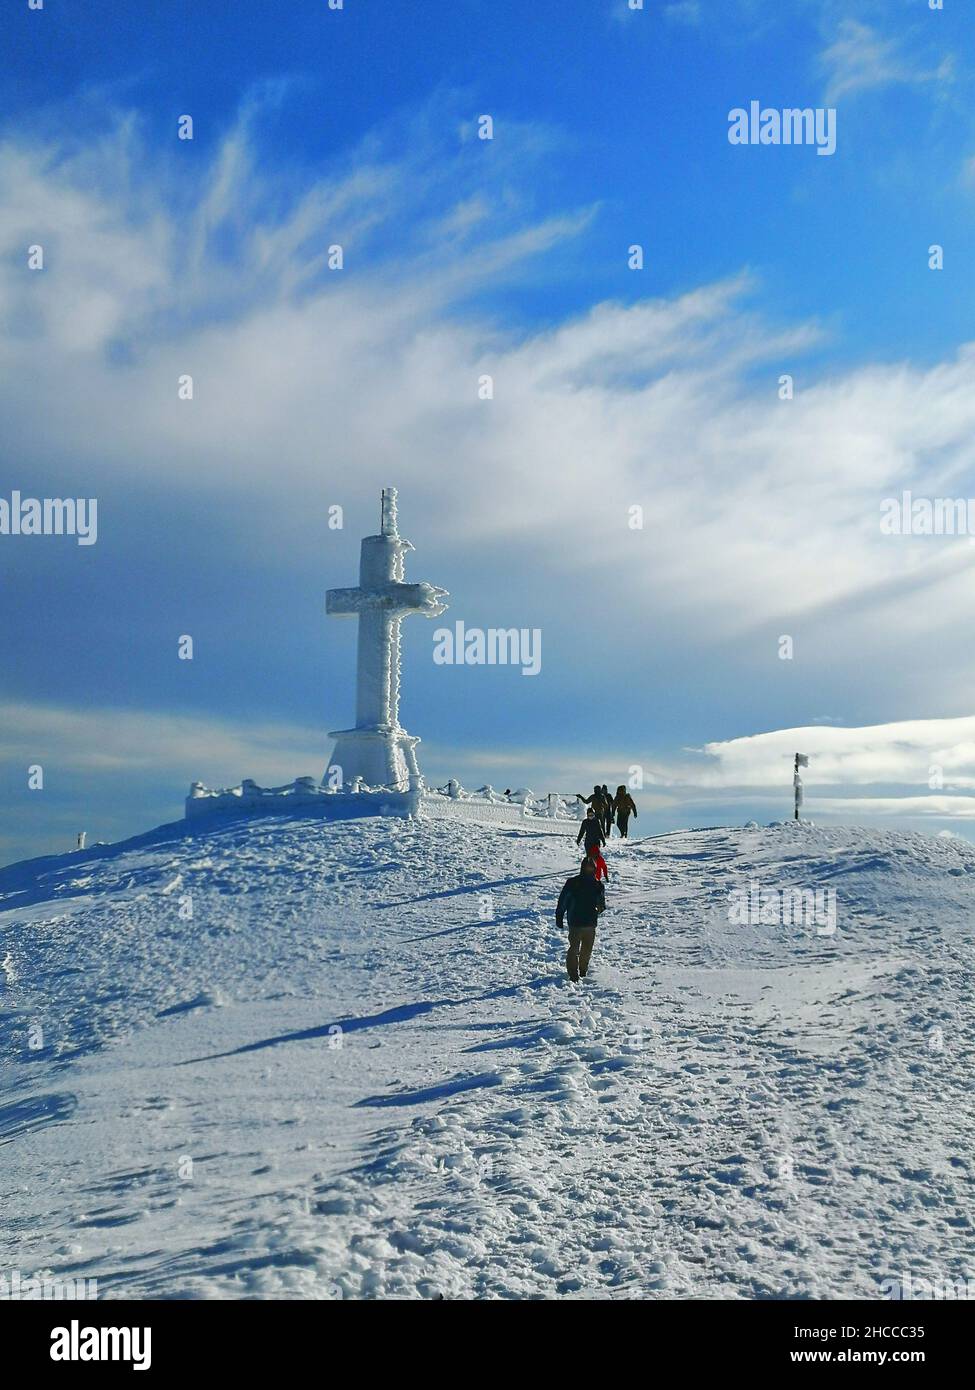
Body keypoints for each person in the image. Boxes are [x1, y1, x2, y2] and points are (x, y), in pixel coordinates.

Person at [556, 856, 606, 981]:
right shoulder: (574, 883)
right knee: (576, 949)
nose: (589, 870)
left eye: (591, 868)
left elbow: (601, 904)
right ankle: (574, 973)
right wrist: (559, 915)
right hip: (577, 923)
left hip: (587, 923)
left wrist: (599, 909)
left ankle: (582, 971)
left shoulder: (597, 885)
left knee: (584, 950)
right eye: (587, 867)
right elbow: (563, 900)